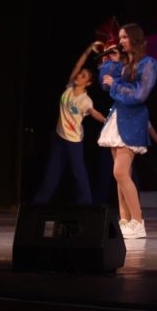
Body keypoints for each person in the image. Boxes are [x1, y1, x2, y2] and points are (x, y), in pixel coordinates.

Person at [97, 23, 157, 239]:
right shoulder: (123, 63)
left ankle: (138, 222)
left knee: (120, 172)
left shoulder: (148, 63)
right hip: (118, 117)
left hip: (133, 119)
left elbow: (141, 94)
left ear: (134, 38)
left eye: (124, 37)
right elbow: (105, 85)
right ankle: (125, 220)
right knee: (122, 175)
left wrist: (116, 85)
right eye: (120, 37)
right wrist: (111, 63)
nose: (120, 41)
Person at [33, 43, 107, 205]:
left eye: (83, 76)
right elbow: (78, 65)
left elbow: (94, 113)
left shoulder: (85, 100)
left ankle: (87, 207)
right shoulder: (69, 86)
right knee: (51, 175)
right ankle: (37, 207)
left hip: (74, 142)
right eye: (80, 74)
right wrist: (89, 49)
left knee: (79, 175)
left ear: (88, 83)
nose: (79, 75)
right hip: (59, 138)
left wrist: (107, 121)